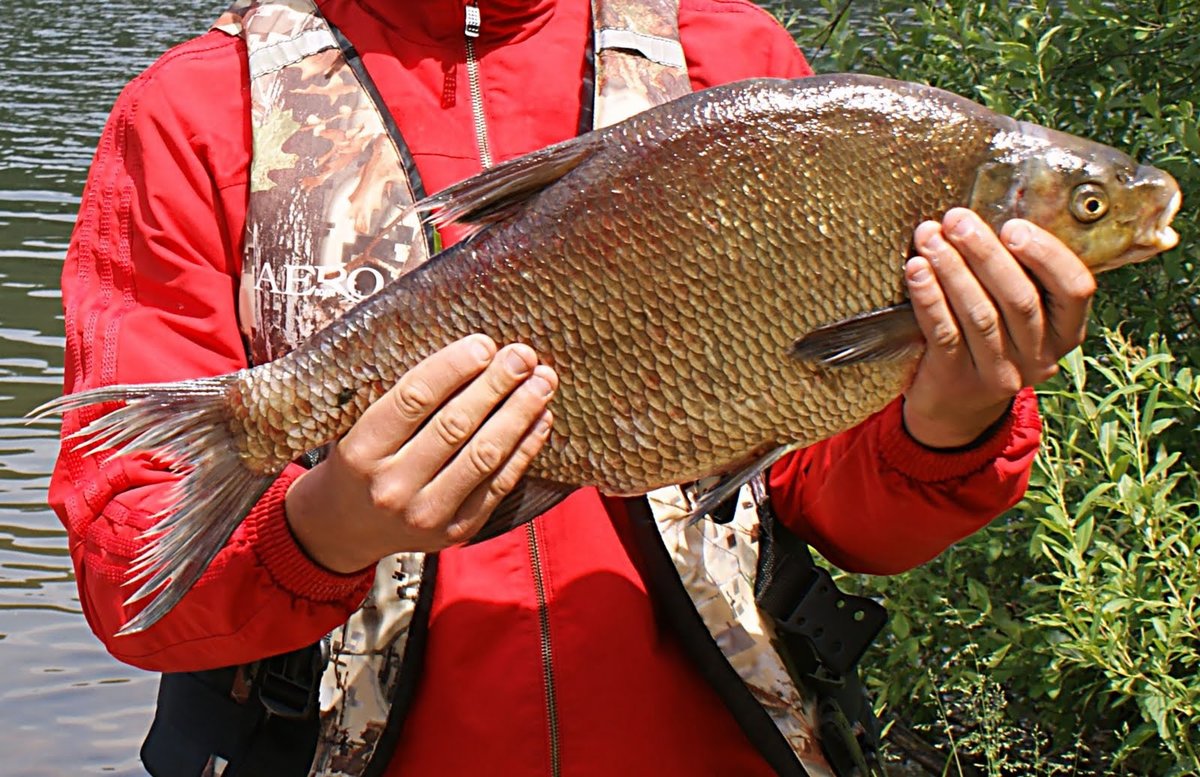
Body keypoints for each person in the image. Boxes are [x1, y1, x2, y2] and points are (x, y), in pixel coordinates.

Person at [49, 0, 1096, 775]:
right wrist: (322, 529)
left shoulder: (731, 62)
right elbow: (136, 588)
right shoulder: (199, 109)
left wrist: (951, 417)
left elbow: (837, 510)